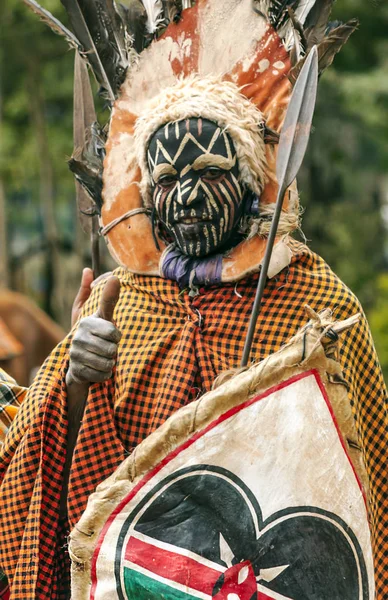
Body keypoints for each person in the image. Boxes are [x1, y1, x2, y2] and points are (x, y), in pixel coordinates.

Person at [0, 1, 387, 599]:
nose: (184, 195)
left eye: (207, 170)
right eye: (165, 179)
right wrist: (77, 378)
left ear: (253, 178)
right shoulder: (125, 303)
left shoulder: (316, 305)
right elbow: (64, 475)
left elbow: (362, 483)